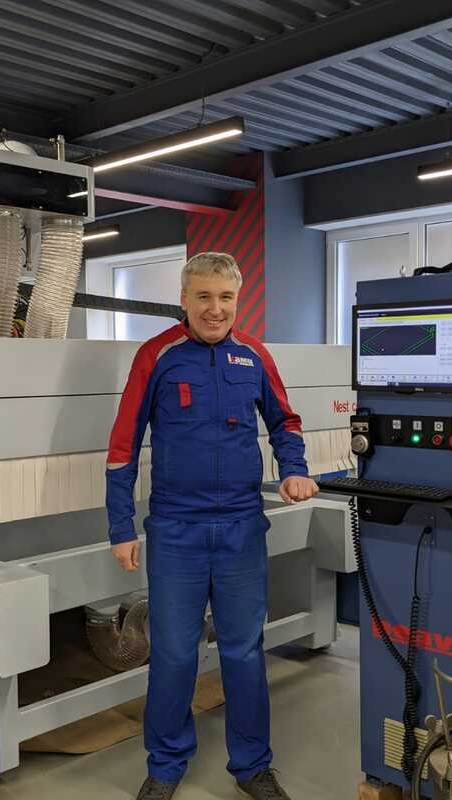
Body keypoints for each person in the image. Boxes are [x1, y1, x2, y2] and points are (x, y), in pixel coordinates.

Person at [105, 252, 320, 800]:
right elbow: (124, 444)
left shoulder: (254, 356)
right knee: (175, 653)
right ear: (184, 299)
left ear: (237, 299)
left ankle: (252, 766)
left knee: (243, 651)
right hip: (176, 529)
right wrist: (121, 526)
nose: (215, 309)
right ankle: (165, 765)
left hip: (241, 529)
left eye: (225, 297)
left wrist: (294, 469)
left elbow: (285, 421)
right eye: (203, 296)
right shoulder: (157, 356)